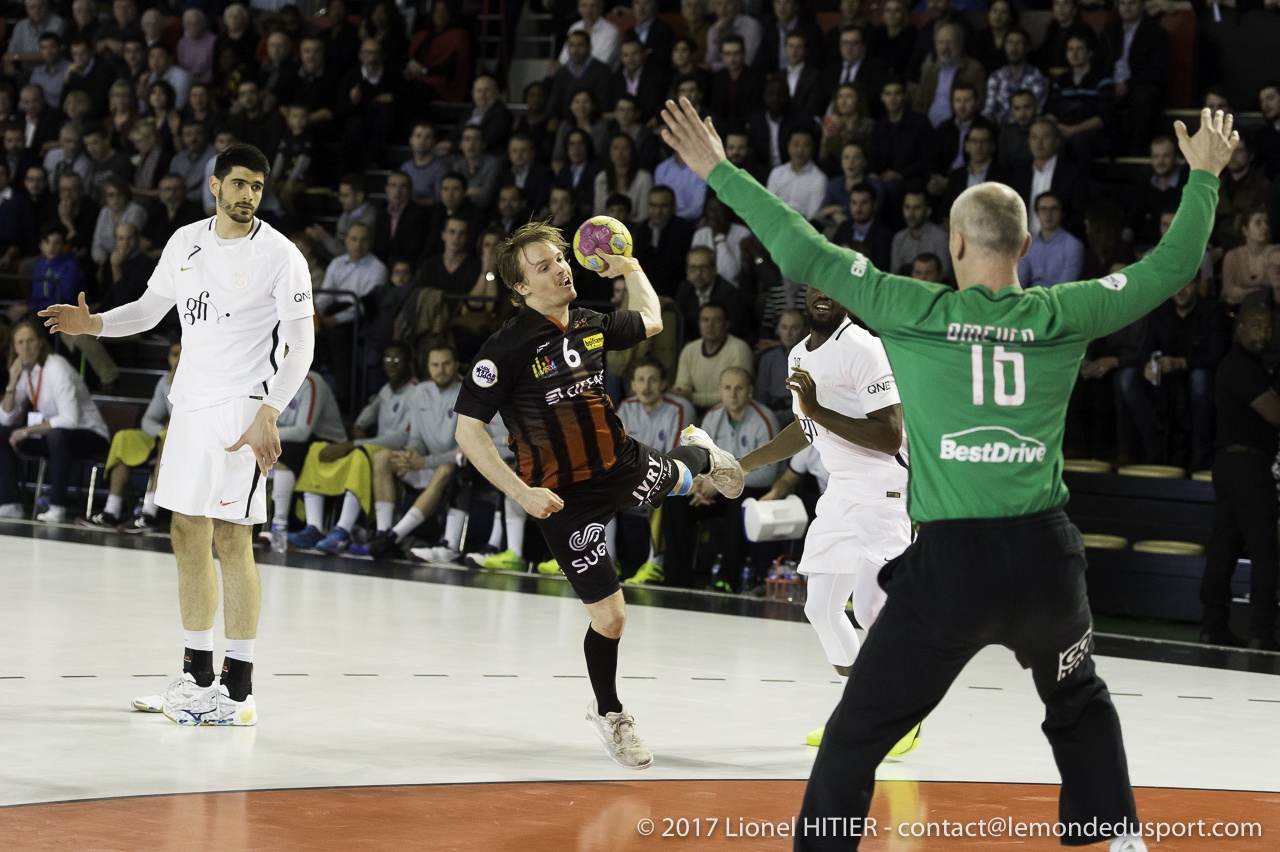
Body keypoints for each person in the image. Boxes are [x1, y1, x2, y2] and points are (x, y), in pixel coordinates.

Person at [660, 95, 1238, 852]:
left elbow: (803, 251)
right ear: (1024, 245)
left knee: (859, 730)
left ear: (956, 242)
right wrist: (1204, 177)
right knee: (1077, 699)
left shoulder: (912, 308)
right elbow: (1172, 266)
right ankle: (1120, 837)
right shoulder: (1063, 312)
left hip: (952, 567)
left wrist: (720, 169)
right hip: (1044, 560)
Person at [452, 220, 746, 770]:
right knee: (611, 619)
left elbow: (653, 319)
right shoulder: (505, 349)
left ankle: (701, 454)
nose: (561, 270)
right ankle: (610, 713)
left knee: (679, 480)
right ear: (521, 287)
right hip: (564, 498)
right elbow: (468, 432)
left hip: (619, 462)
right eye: (544, 267)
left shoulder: (590, 322)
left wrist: (629, 266)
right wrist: (522, 493)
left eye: (561, 260)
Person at [39, 143, 315, 727]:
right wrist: (95, 324)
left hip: (242, 408)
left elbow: (300, 345)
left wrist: (270, 410)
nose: (248, 195)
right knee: (187, 531)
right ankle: (197, 678)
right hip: (189, 406)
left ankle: (239, 692)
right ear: (214, 185)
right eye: (238, 183)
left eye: (257, 186)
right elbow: (148, 310)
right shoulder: (185, 241)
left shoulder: (281, 254)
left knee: (233, 538)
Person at [737, 286, 912, 750]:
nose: (824, 293)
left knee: (872, 609)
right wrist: (744, 465)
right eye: (817, 283)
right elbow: (806, 428)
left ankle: (901, 718)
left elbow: (889, 436)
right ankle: (861, 715)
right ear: (804, 291)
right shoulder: (799, 354)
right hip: (841, 491)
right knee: (820, 608)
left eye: (835, 286)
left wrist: (817, 408)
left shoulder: (865, 348)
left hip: (884, 491)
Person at [1200, 306, 1279, 651]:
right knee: (1264, 550)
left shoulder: (1245, 367)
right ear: (1240, 327)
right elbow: (1275, 414)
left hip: (1231, 465)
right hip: (1247, 466)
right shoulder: (1241, 367)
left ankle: (1213, 626)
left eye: (1268, 328)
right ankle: (1263, 632)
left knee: (1224, 548)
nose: (1263, 334)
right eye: (1257, 326)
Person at [0, 321, 110, 522]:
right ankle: (10, 503)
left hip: (90, 435)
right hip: (55, 436)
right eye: (20, 343)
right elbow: (5, 418)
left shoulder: (55, 367)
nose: (26, 347)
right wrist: (12, 383)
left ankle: (57, 507)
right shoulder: (24, 372)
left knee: (56, 435)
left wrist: (26, 431)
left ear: (41, 342)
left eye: (30, 341)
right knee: (2, 433)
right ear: (14, 348)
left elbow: (70, 419)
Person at [86, 339, 181, 531]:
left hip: (192, 443)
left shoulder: (203, 381)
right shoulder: (165, 382)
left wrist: (174, 430)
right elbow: (148, 420)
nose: (179, 360)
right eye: (175, 354)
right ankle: (112, 510)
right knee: (124, 438)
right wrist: (161, 430)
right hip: (167, 439)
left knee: (168, 439)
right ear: (168, 359)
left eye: (184, 354)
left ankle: (150, 513)